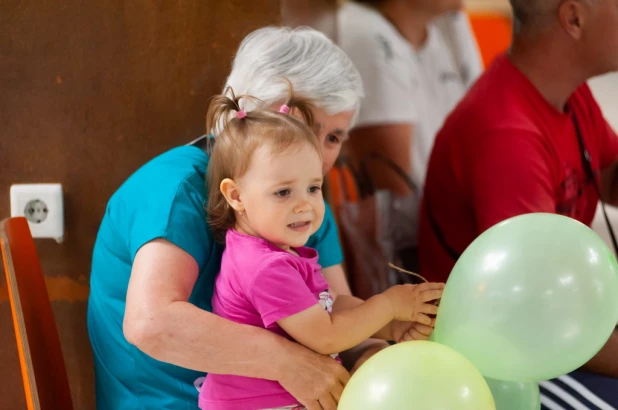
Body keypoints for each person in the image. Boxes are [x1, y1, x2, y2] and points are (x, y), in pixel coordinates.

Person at [88, 26, 393, 410]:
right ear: (253, 114)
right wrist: (286, 362)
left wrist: (378, 358)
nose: (315, 151)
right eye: (300, 126)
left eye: (333, 138)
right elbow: (152, 323)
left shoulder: (306, 207)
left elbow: (334, 314)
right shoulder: (176, 187)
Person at [418, 0, 618, 408]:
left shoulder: (564, 91)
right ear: (574, 18)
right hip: (506, 353)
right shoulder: (506, 136)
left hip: (565, 313)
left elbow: (609, 178)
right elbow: (544, 317)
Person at [198, 89, 444, 410]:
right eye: (283, 191)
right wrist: (388, 304)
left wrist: (392, 325)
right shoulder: (264, 266)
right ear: (236, 196)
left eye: (313, 187)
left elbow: (330, 306)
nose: (305, 204)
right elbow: (325, 336)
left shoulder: (278, 251)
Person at [337, 0, 482, 196]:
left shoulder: (449, 19)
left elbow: (489, 140)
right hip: (430, 221)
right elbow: (398, 198)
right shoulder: (367, 35)